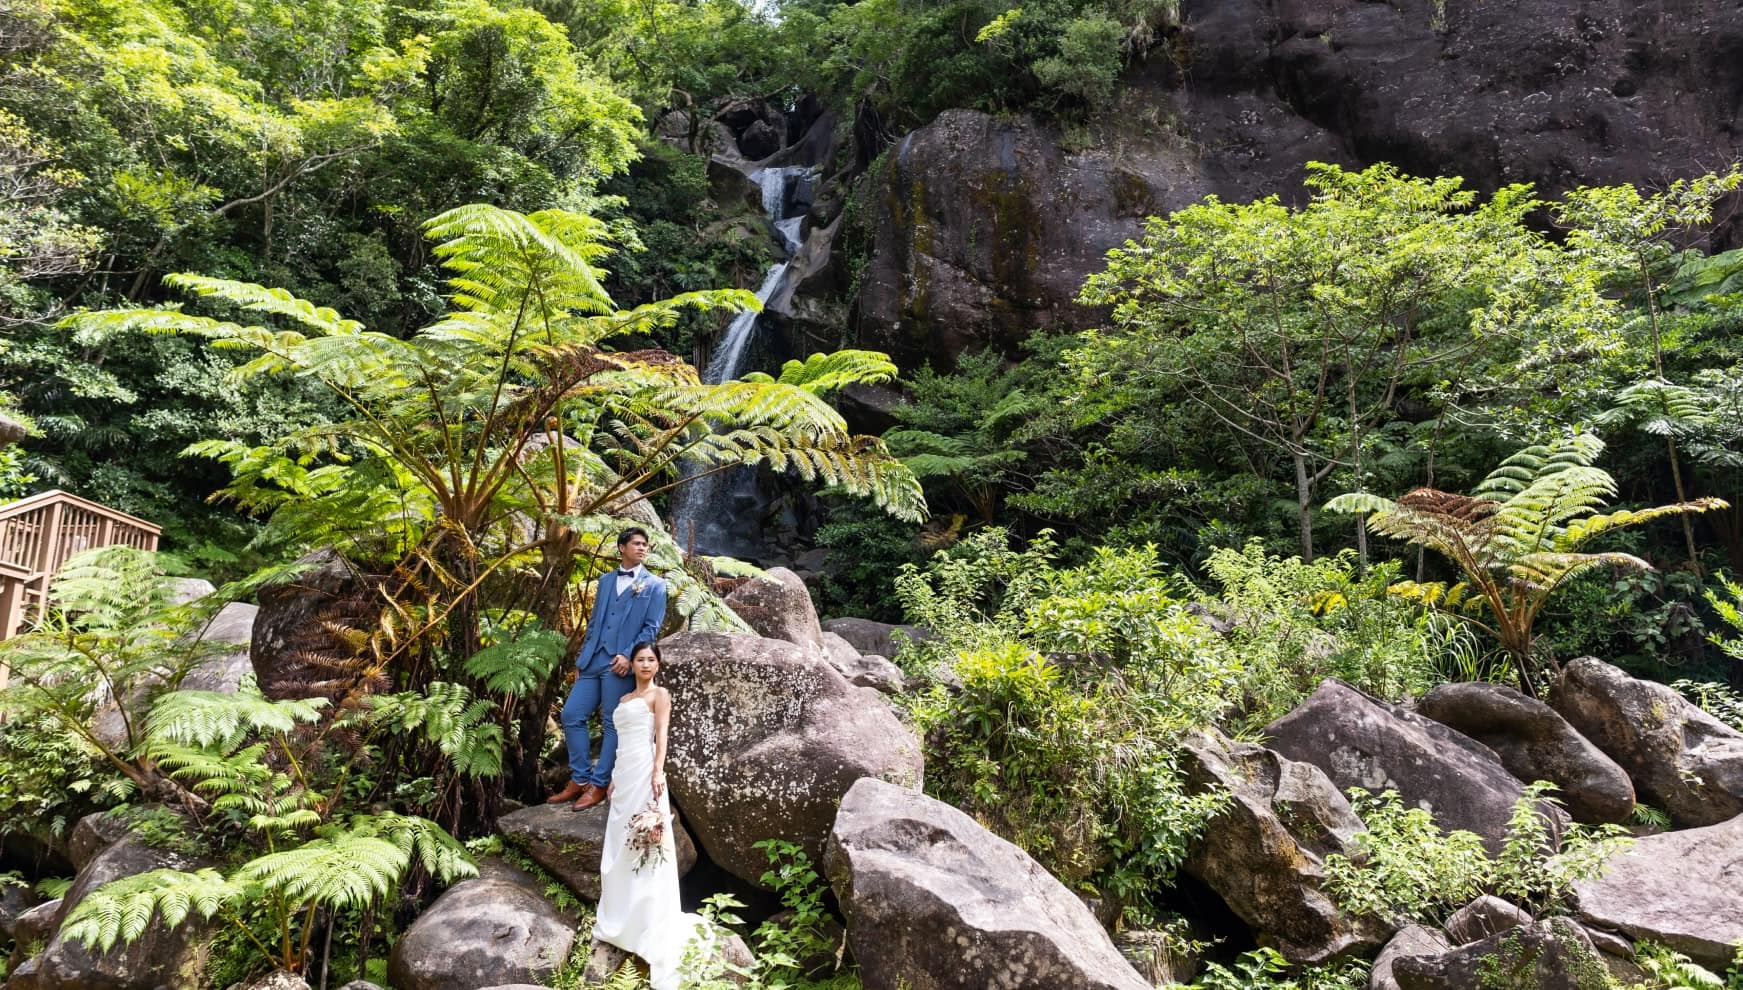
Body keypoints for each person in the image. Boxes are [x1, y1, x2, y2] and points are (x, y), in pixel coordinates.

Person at [591, 642, 710, 989]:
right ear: (633, 664)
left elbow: (661, 736)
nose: (645, 664)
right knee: (620, 838)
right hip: (623, 772)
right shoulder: (624, 701)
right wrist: (611, 776)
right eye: (640, 659)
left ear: (657, 665)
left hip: (645, 769)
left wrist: (658, 772)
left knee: (647, 839)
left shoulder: (660, 695)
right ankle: (620, 913)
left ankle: (646, 916)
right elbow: (618, 742)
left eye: (650, 659)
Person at [548, 527, 668, 810]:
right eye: (636, 544)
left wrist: (628, 656)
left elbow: (651, 628)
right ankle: (579, 777)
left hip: (620, 665)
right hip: (593, 660)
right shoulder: (605, 581)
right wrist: (582, 659)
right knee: (572, 714)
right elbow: (595, 623)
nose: (642, 548)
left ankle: (599, 783)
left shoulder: (655, 585)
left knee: (613, 723)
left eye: (645, 545)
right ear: (621, 548)